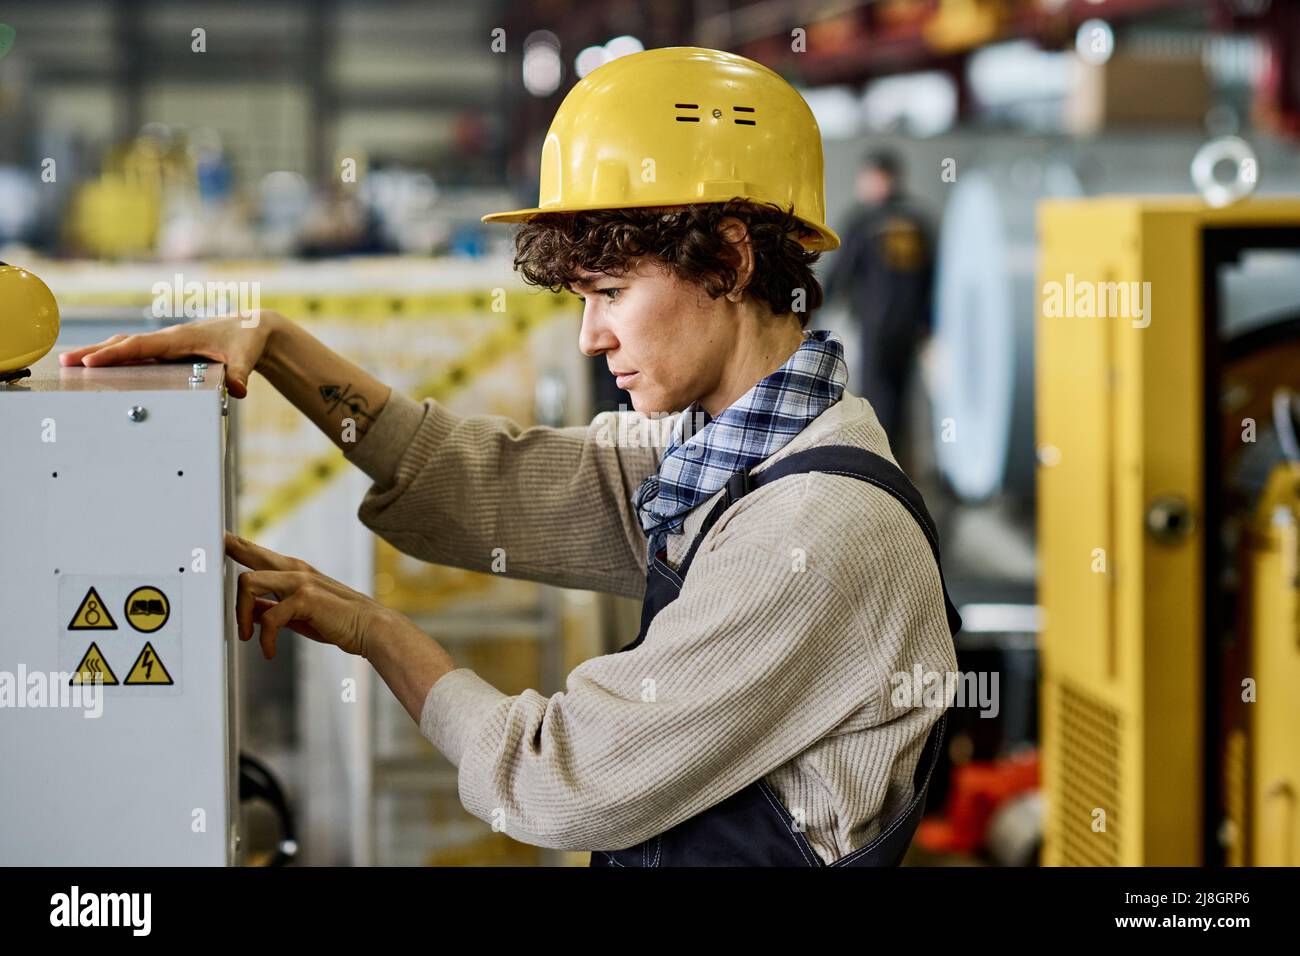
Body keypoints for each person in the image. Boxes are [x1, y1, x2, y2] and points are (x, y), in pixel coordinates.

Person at [61, 47, 958, 866]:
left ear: (726, 260)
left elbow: (556, 781)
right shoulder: (722, 459)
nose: (588, 336)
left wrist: (378, 633)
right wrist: (278, 346)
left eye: (610, 291)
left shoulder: (812, 532)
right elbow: (475, 485)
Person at [821, 149, 935, 453]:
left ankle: (879, 458)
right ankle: (898, 457)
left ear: (879, 179)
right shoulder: (918, 221)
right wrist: (928, 322)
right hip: (911, 327)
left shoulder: (864, 220)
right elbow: (932, 276)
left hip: (875, 323)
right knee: (901, 396)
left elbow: (841, 272)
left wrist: (815, 310)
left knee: (875, 395)